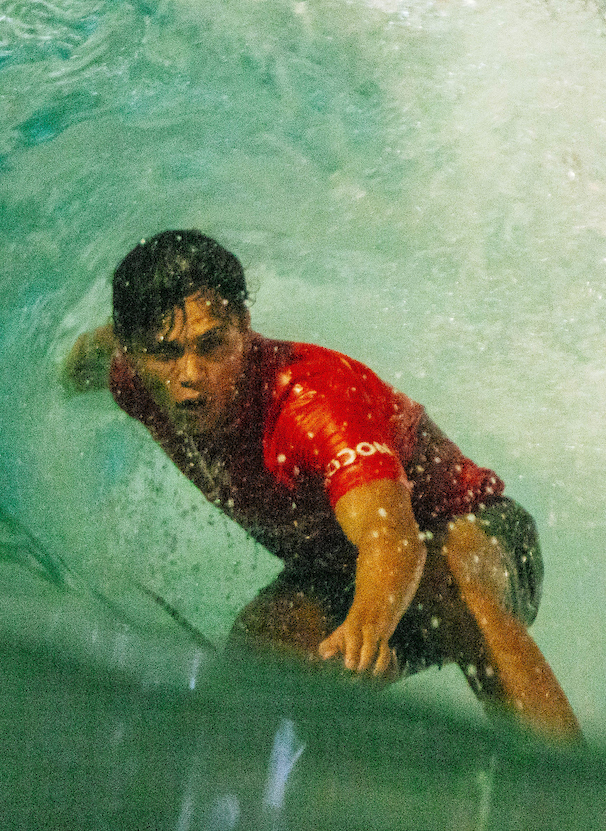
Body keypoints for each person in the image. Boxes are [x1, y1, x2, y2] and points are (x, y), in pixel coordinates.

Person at [63, 229, 579, 738]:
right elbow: (92, 352)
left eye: (212, 345)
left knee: (445, 581)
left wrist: (369, 625)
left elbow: (390, 539)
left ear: (244, 327)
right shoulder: (131, 377)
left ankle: (567, 788)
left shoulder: (312, 407)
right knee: (259, 654)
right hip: (343, 570)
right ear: (131, 352)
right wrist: (58, 383)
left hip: (481, 541)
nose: (190, 374)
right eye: (165, 353)